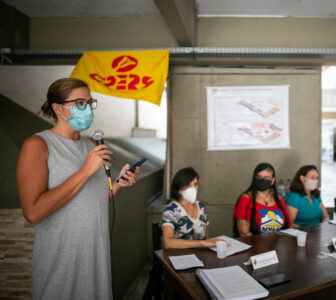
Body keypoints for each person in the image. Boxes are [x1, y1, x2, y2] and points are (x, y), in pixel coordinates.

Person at [16, 78, 139, 300]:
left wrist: (118, 184)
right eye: (79, 103)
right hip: (61, 264)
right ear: (57, 108)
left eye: (90, 103)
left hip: (96, 260)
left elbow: (92, 200)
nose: (88, 109)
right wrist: (85, 171)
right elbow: (33, 214)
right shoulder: (37, 145)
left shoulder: (91, 145)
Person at [162, 167, 224, 249]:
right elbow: (168, 243)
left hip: (201, 256)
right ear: (179, 190)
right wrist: (201, 243)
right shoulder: (171, 210)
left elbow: (207, 237)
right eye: (188, 185)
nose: (193, 189)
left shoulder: (201, 206)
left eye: (195, 184)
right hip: (180, 257)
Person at [234, 163, 290, 237]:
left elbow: (287, 225)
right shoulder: (246, 199)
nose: (263, 180)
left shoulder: (278, 199)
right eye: (259, 177)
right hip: (255, 245)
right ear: (255, 179)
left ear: (273, 181)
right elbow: (244, 233)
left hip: (278, 244)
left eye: (267, 178)